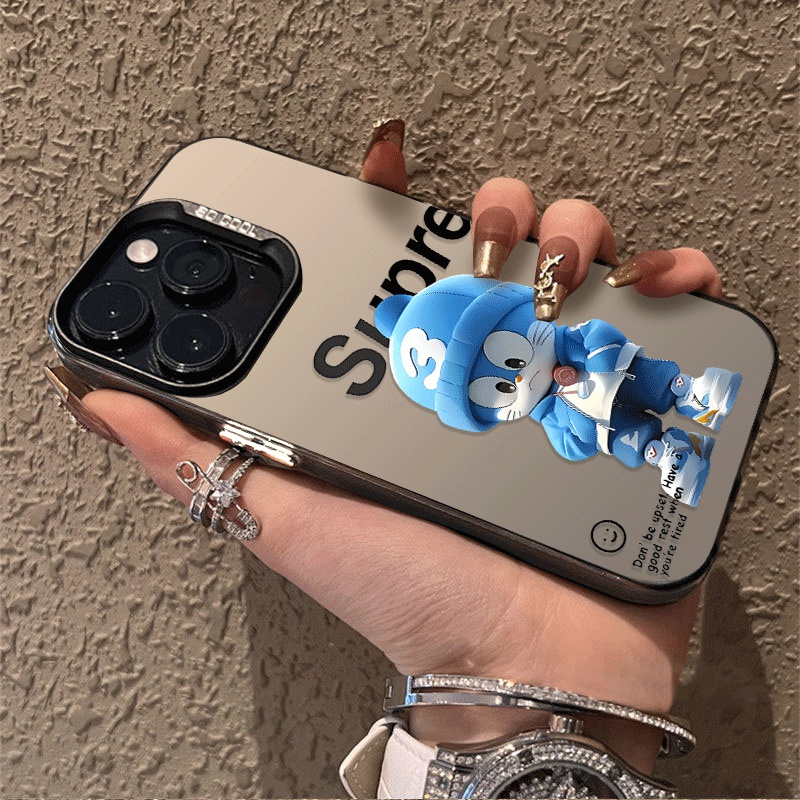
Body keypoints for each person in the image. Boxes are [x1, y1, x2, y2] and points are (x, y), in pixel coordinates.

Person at [51, 119, 726, 797]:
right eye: (490, 389)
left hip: (626, 381)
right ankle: (667, 441)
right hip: (610, 481)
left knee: (652, 377)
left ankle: (689, 395)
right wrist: (551, 684)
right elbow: (570, 437)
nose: (511, 379)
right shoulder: (540, 415)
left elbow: (594, 343)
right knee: (622, 430)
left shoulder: (567, 343)